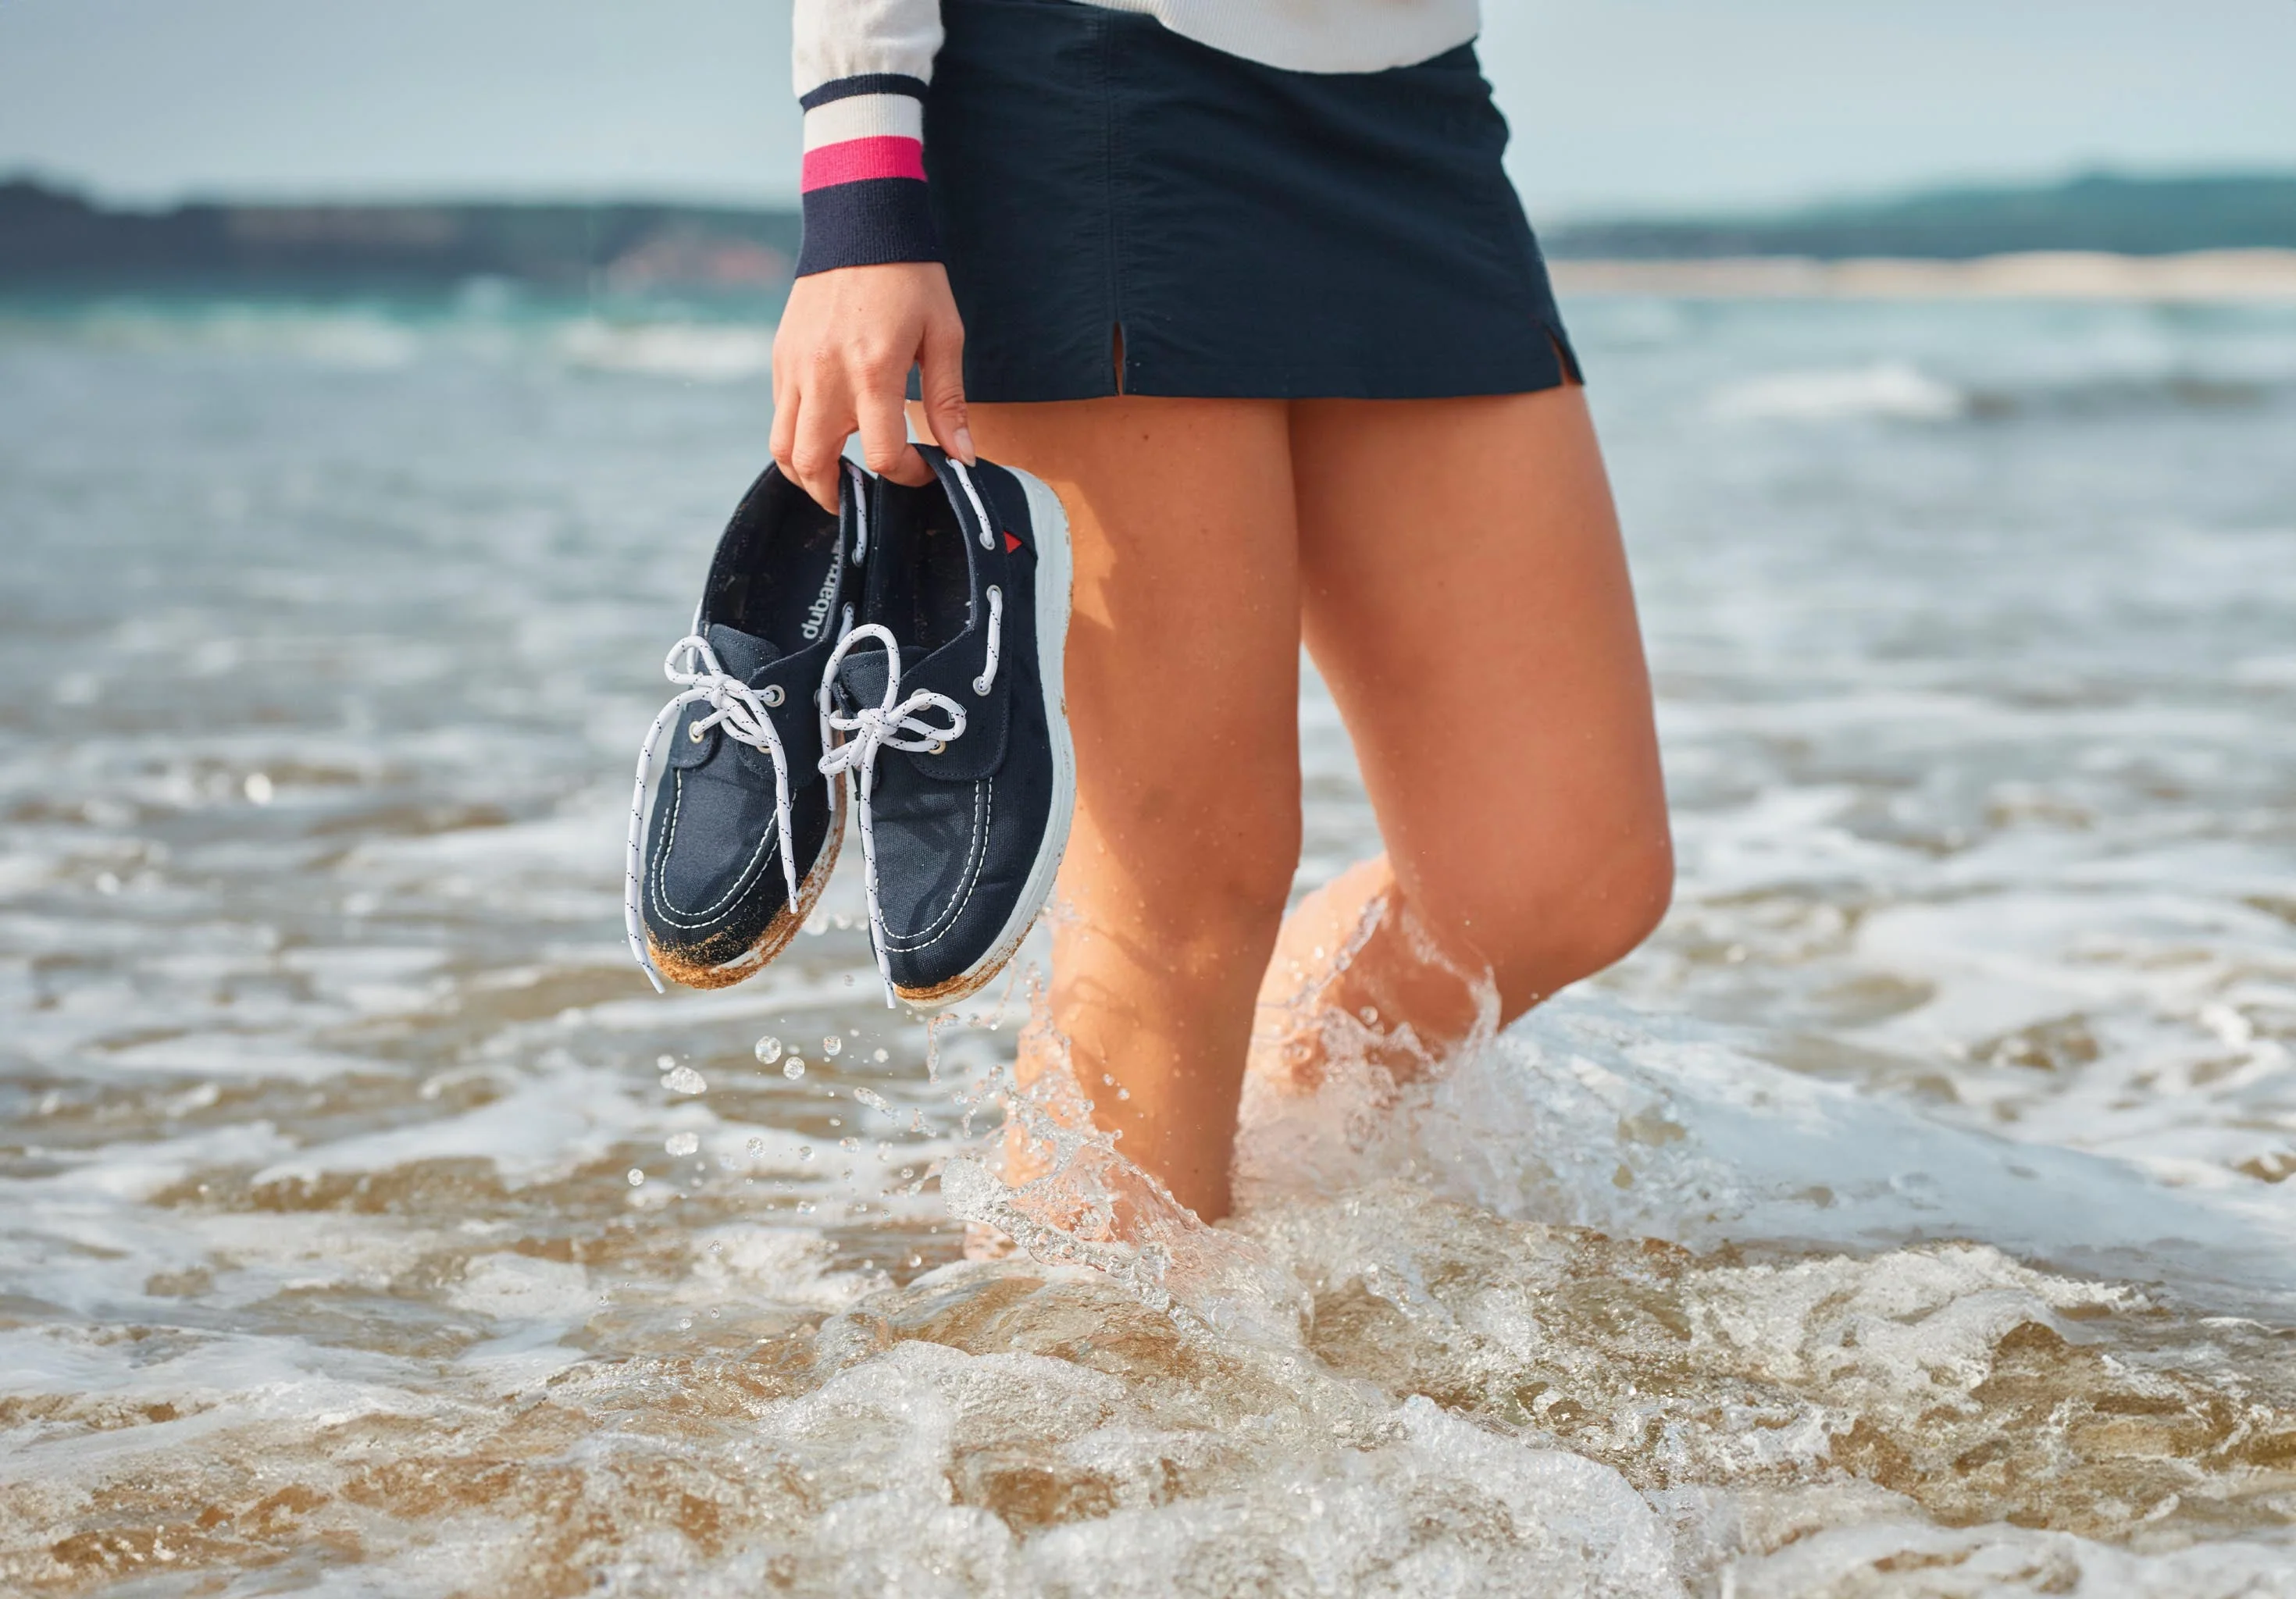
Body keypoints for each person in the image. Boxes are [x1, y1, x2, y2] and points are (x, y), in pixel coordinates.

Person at [768, 0, 1674, 1223]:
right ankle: (1104, 1367)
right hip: (1085, 91)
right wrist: (862, 184)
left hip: (1410, 105)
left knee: (1561, 874)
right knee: (1181, 901)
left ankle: (1233, 1235)